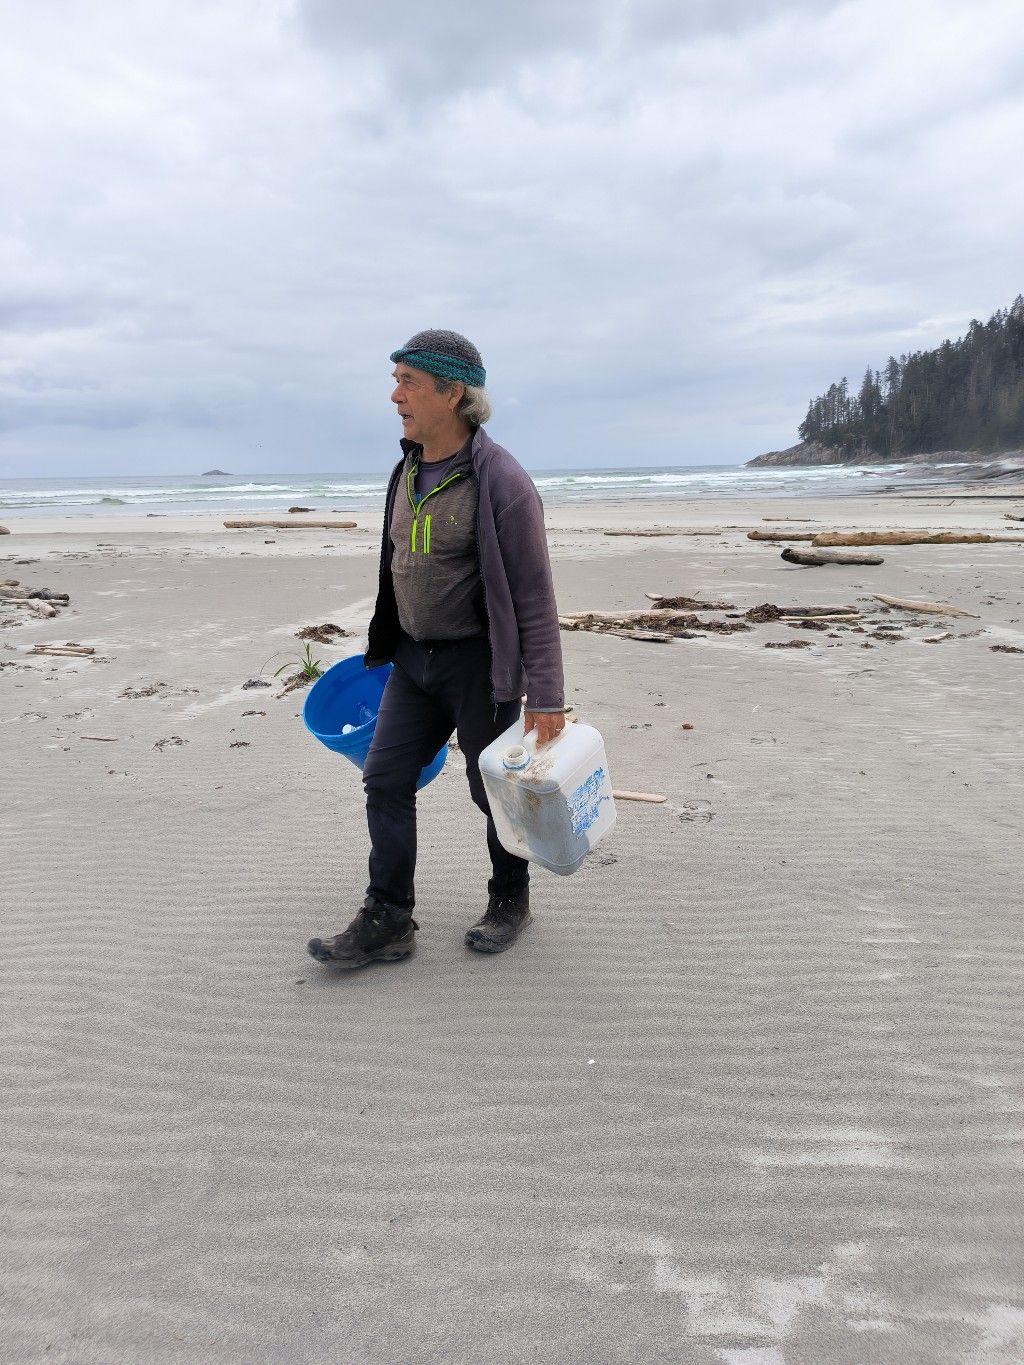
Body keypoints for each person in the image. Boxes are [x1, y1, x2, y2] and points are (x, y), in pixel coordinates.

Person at [307, 329, 565, 970]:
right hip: (411, 662)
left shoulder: (502, 482)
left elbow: (535, 598)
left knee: (491, 791)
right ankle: (389, 918)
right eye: (396, 381)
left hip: (479, 668)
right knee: (384, 780)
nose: (395, 396)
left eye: (408, 383)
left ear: (452, 394)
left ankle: (509, 900)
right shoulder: (405, 470)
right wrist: (385, 643)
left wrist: (547, 695)